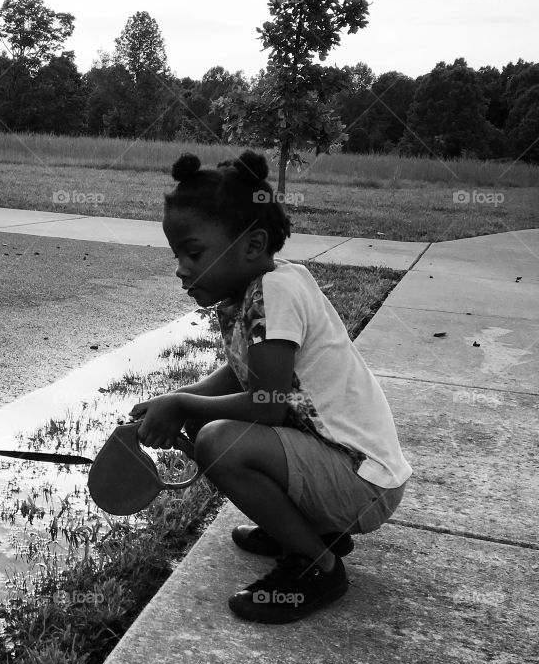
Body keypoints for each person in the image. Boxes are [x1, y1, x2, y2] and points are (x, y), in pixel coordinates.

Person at [130, 151, 411, 623]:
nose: (180, 268)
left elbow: (267, 404)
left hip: (362, 482)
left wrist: (183, 402)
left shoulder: (275, 294)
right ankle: (303, 531)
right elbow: (246, 376)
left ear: (252, 244)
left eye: (193, 253)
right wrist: (178, 404)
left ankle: (317, 568)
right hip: (350, 471)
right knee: (215, 430)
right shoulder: (257, 288)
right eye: (176, 254)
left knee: (219, 442)